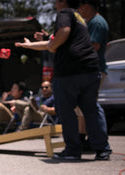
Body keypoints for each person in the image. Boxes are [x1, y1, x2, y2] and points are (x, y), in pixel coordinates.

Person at [15, 0, 112, 160]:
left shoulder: (64, 13)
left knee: (65, 110)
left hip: (70, 72)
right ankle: (102, 149)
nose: (55, 5)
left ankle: (73, 150)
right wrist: (30, 45)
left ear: (63, 2)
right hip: (90, 70)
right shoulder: (80, 18)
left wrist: (53, 44)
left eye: (56, 2)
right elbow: (54, 41)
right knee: (91, 109)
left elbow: (62, 34)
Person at [76, 0, 109, 148]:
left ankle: (95, 141)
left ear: (87, 6)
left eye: (80, 6)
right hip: (90, 70)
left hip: (94, 70)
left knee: (89, 106)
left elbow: (94, 46)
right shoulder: (91, 22)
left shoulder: (97, 22)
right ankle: (83, 138)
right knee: (83, 106)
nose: (78, 10)